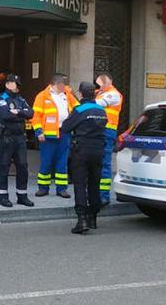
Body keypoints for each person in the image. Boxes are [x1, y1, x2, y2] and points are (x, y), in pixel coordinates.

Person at [60, 82, 108, 234]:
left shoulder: (79, 109)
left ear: (80, 94)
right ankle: (93, 218)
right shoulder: (102, 110)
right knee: (95, 183)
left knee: (80, 184)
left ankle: (81, 220)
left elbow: (66, 127)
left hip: (82, 150)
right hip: (99, 150)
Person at [32, 74, 78, 198]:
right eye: (62, 85)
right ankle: (43, 188)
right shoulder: (42, 96)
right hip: (47, 135)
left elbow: (78, 108)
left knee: (62, 162)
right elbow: (36, 116)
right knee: (46, 162)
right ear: (53, 84)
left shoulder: (67, 95)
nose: (65, 87)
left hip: (64, 133)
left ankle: (62, 189)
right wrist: (39, 132)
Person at [0, 74, 35, 208]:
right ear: (8, 84)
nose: (17, 87)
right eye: (15, 84)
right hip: (6, 137)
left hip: (20, 137)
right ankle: (3, 196)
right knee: (4, 166)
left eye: (18, 85)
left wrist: (16, 112)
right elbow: (5, 114)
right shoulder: (1, 98)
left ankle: (22, 196)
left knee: (23, 166)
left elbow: (30, 113)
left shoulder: (21, 99)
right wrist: (19, 113)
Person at [95, 73, 124, 206]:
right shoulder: (99, 93)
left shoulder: (113, 94)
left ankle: (103, 196)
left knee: (104, 164)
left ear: (109, 82)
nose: (101, 85)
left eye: (102, 83)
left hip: (107, 131)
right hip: (97, 131)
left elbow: (96, 104)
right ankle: (95, 193)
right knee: (95, 163)